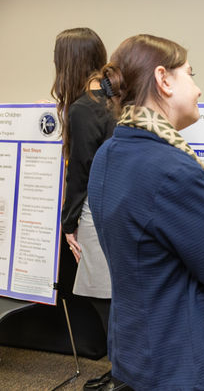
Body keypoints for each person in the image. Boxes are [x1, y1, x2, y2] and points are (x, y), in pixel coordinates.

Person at [87, 34, 204, 390]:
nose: (198, 89)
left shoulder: (108, 155)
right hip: (192, 357)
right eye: (190, 74)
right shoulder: (172, 169)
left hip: (137, 349)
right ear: (163, 80)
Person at [51, 27, 115, 389]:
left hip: (97, 210)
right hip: (121, 208)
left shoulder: (82, 108)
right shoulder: (112, 98)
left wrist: (69, 223)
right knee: (115, 297)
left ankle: (124, 374)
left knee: (104, 297)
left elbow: (80, 171)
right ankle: (124, 370)